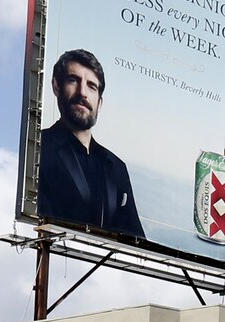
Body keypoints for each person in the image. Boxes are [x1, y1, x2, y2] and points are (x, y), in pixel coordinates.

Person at [35, 48, 145, 241]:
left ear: (100, 103)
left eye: (92, 86)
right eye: (73, 80)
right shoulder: (40, 147)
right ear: (56, 86)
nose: (82, 93)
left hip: (108, 267)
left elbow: (136, 240)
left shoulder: (117, 167)